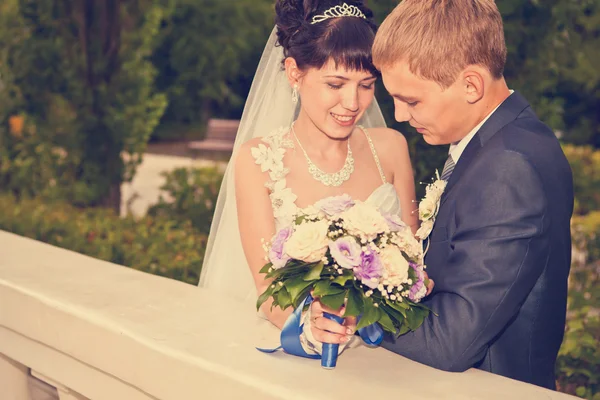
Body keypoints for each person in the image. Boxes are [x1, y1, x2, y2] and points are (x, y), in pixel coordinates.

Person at [306, 0, 574, 390]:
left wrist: (355, 311)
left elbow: (452, 341)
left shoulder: (508, 166)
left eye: (412, 100)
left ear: (471, 85)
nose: (398, 114)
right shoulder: (504, 141)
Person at [199, 0, 420, 333]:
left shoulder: (391, 148)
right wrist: (310, 323)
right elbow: (267, 291)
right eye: (335, 84)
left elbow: (413, 262)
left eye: (366, 85)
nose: (353, 103)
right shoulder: (257, 160)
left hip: (386, 349)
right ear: (294, 73)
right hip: (298, 346)